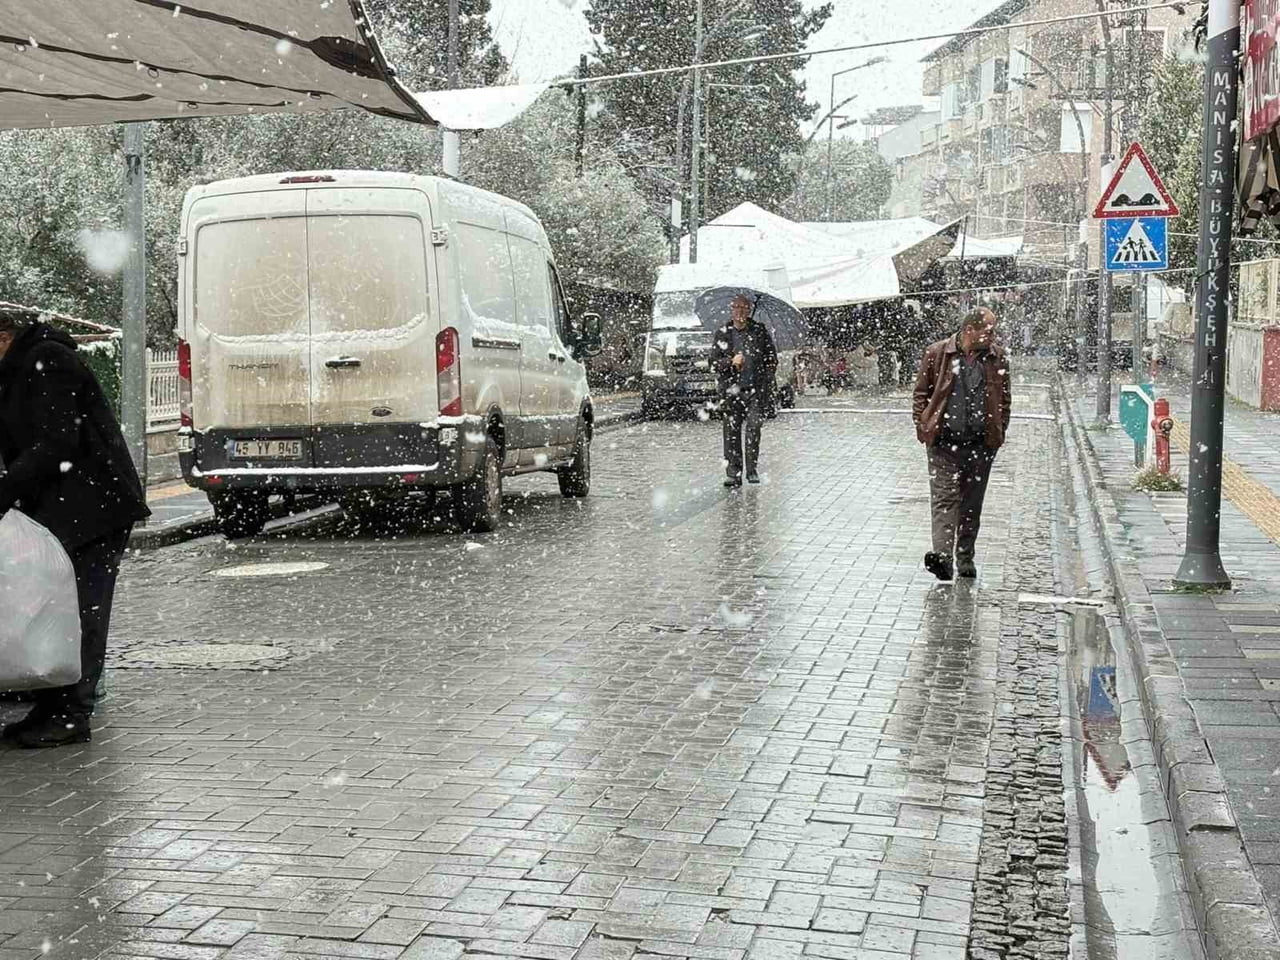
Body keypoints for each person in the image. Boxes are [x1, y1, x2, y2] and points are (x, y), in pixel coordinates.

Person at [0, 309, 149, 748]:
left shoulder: (48, 360)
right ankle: (51, 705)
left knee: (82, 610)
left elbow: (57, 442)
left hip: (94, 506)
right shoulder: (14, 369)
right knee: (53, 607)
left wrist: (4, 492)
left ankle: (71, 714)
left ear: (3, 336)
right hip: (60, 507)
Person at [911, 307, 1011, 581]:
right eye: (987, 331)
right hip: (943, 443)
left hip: (981, 444)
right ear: (970, 330)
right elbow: (921, 392)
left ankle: (965, 556)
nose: (992, 336)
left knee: (971, 503)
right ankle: (942, 557)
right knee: (944, 499)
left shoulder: (996, 357)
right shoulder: (938, 353)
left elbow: (1004, 399)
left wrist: (998, 431)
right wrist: (923, 425)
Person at [712, 294, 777, 487]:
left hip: (755, 391)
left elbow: (771, 358)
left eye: (744, 308)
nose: (740, 311)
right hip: (731, 391)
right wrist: (730, 361)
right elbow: (713, 363)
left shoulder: (759, 330)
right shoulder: (723, 333)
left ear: (749, 310)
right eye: (736, 307)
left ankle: (752, 470)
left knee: (754, 429)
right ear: (731, 309)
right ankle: (734, 473)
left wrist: (765, 373)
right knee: (731, 433)